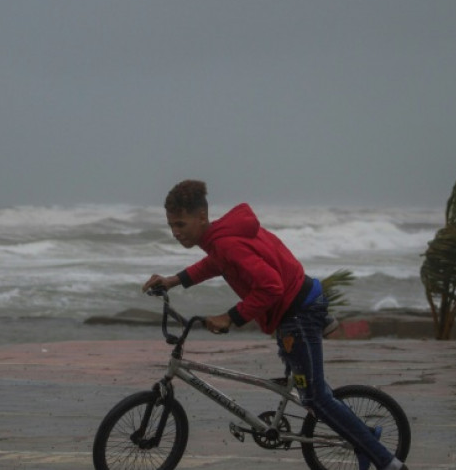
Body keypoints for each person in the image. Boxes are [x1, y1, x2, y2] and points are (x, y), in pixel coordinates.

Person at [143, 180, 408, 470]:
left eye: (181, 224)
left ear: (202, 217)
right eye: (171, 225)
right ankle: (364, 435)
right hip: (295, 307)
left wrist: (231, 317)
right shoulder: (219, 239)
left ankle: (388, 462)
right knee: (311, 391)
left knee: (316, 398)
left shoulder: (226, 242)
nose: (175, 233)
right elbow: (213, 264)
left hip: (298, 312)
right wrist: (174, 280)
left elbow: (271, 287)